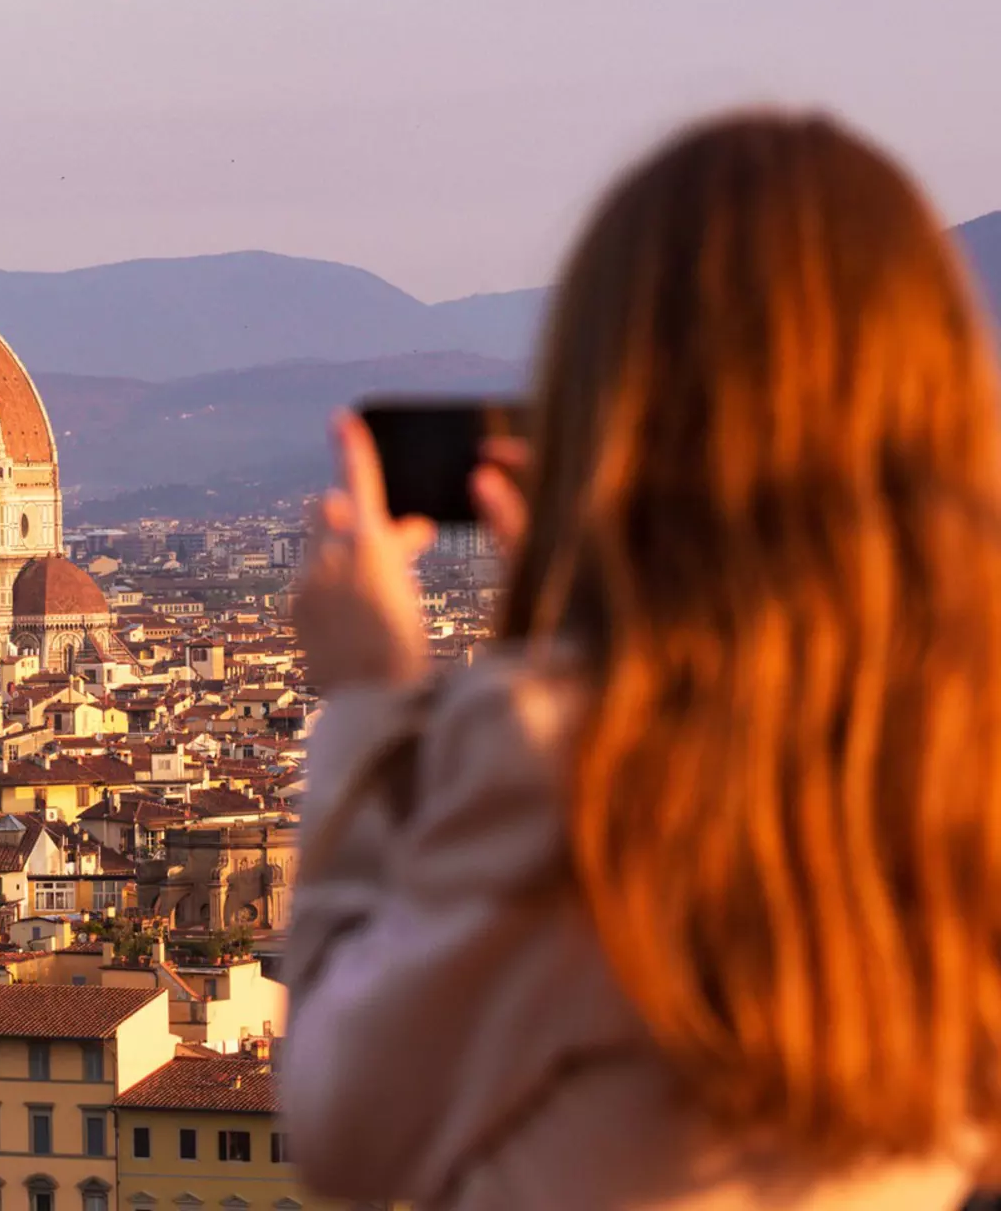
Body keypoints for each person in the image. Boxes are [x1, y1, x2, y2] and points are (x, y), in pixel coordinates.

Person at [283, 111, 1001, 1210]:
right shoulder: (964, 752)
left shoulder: (571, 761)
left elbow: (343, 1129)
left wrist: (371, 706)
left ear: (611, 399)